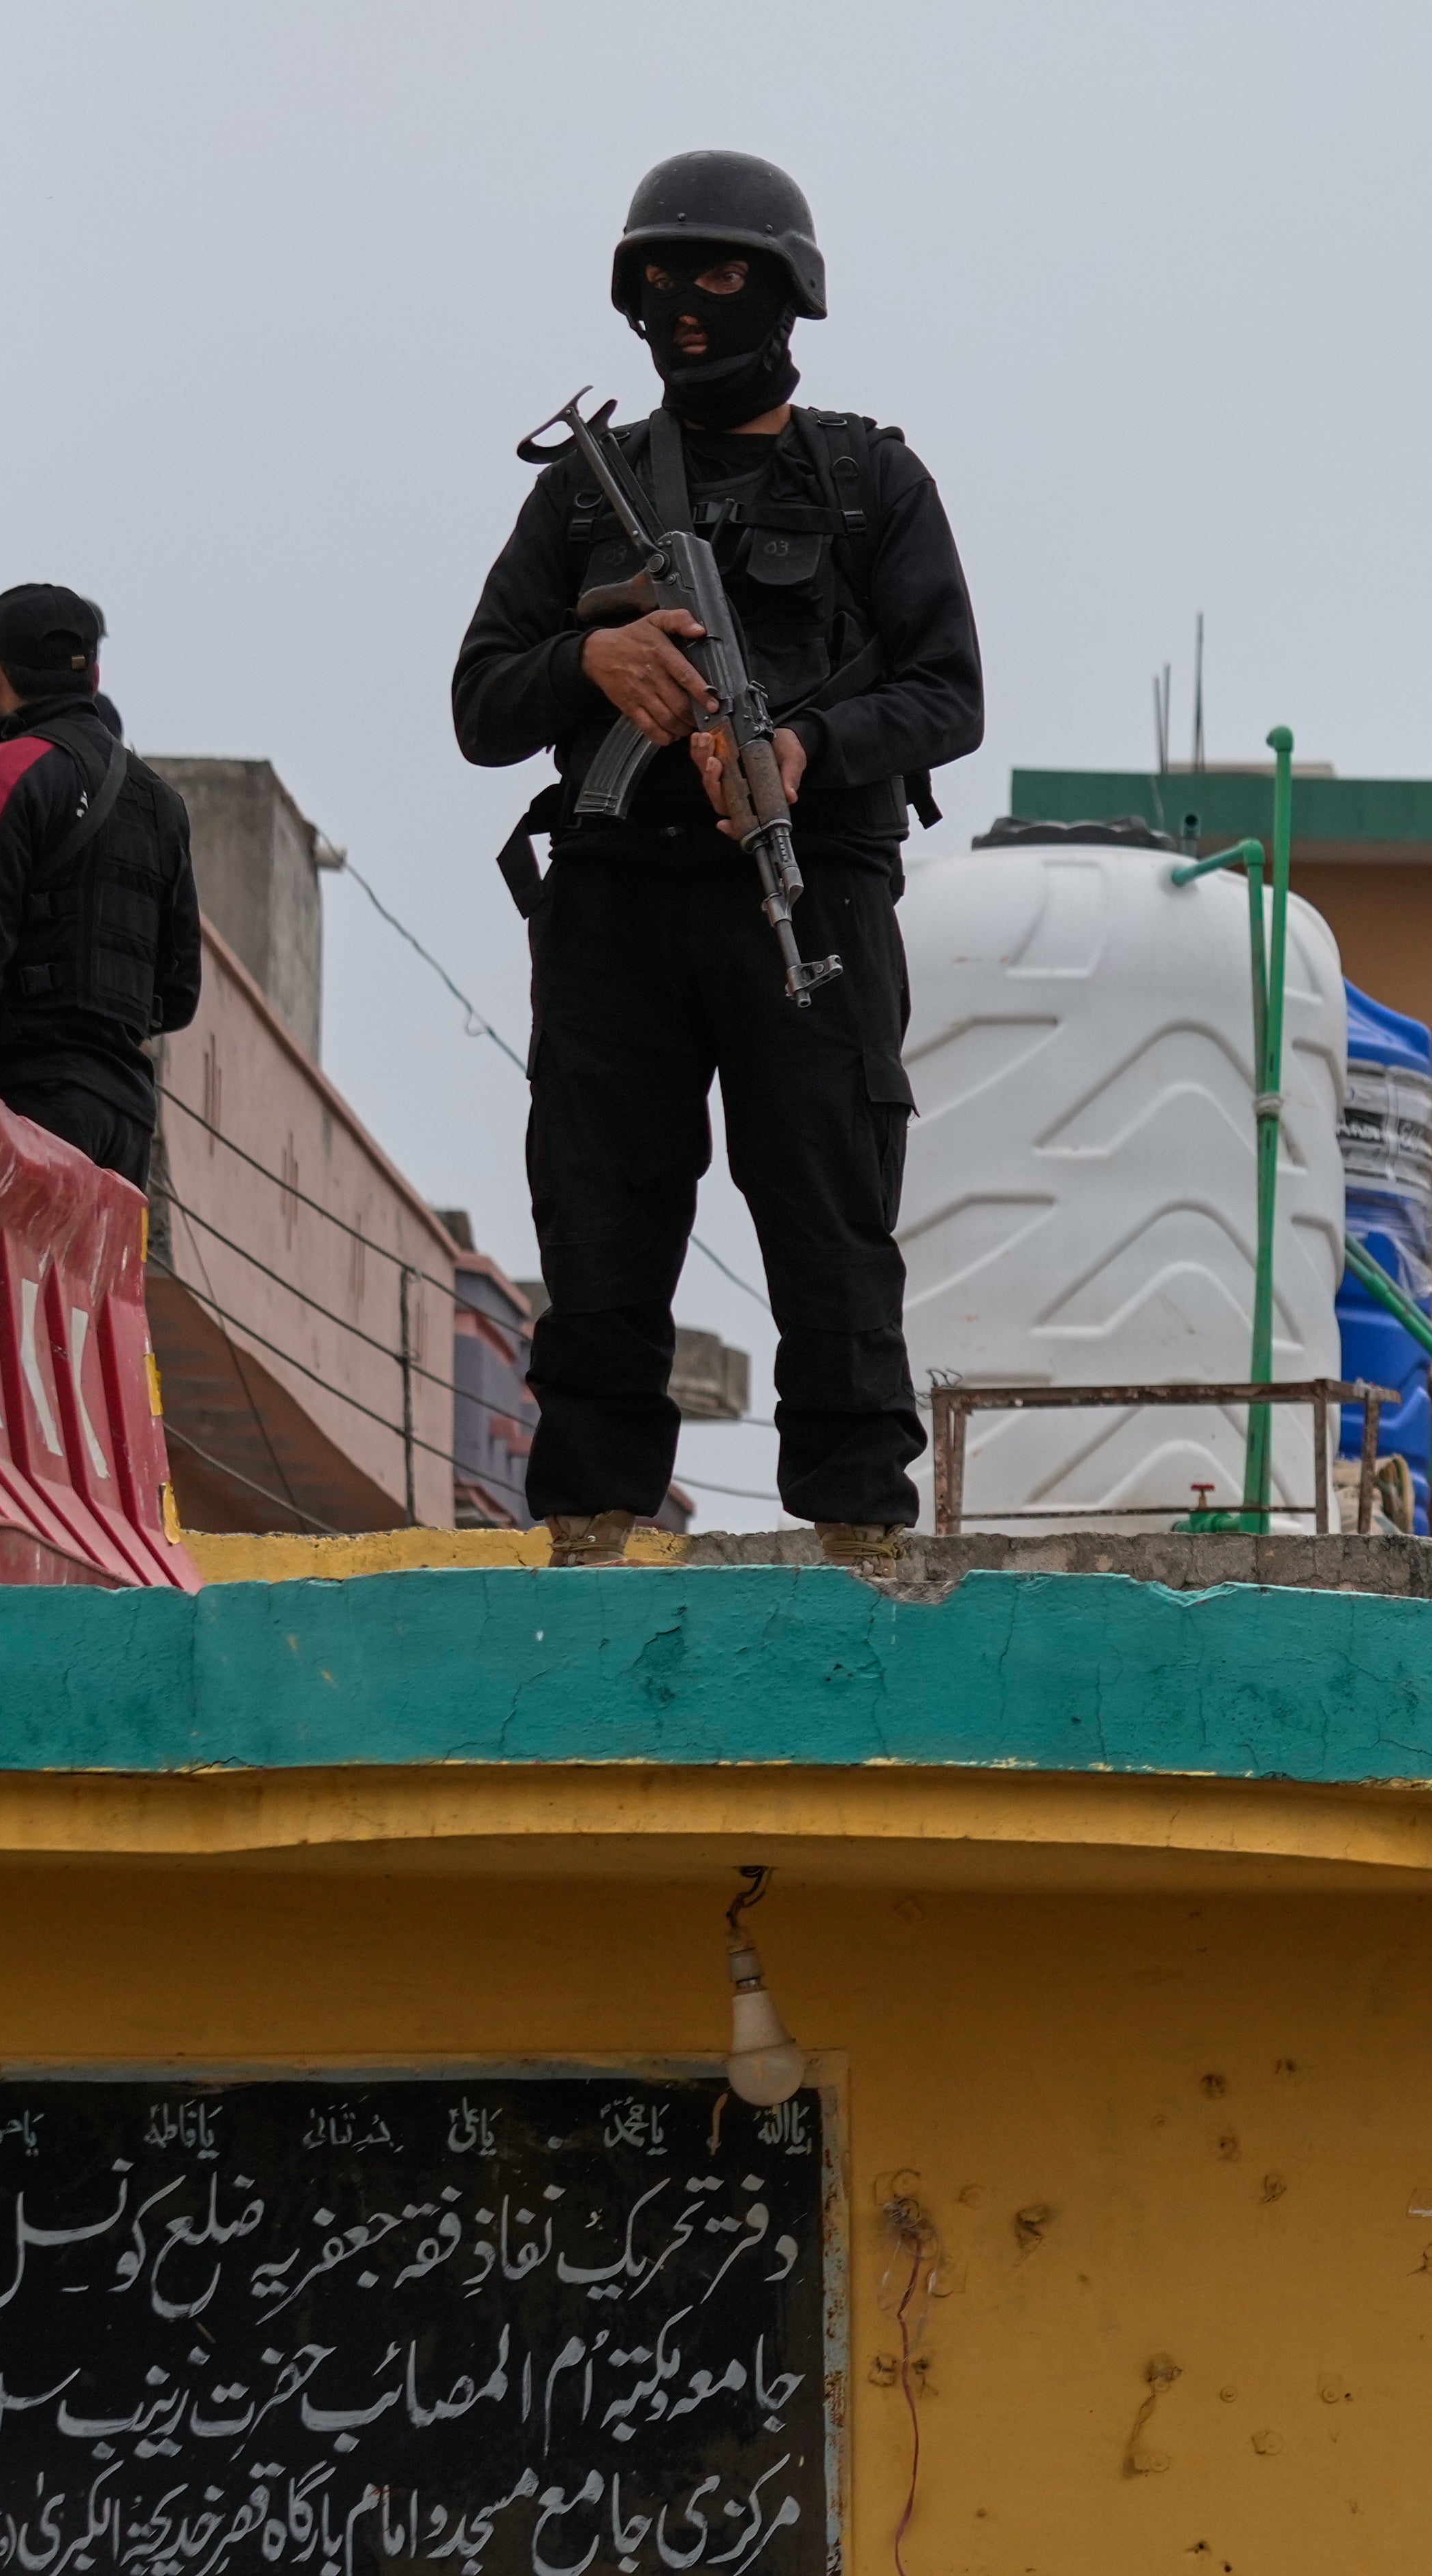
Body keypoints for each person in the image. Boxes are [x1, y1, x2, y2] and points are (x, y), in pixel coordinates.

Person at [453, 149, 982, 1566]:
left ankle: (861, 1526)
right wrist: (593, 658)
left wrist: (805, 749)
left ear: (789, 293)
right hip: (619, 901)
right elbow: (481, 703)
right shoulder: (586, 493)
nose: (685, 303)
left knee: (827, 1212)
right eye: (660, 278)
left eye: (720, 273)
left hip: (807, 901)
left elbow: (950, 694)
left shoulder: (871, 483)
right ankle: (589, 1521)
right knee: (601, 1213)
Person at [0, 584, 200, 1180]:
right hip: (124, 1126)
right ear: (94, 676)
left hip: (24, 1108)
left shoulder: (3, 773)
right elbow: (180, 992)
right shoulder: (163, 804)